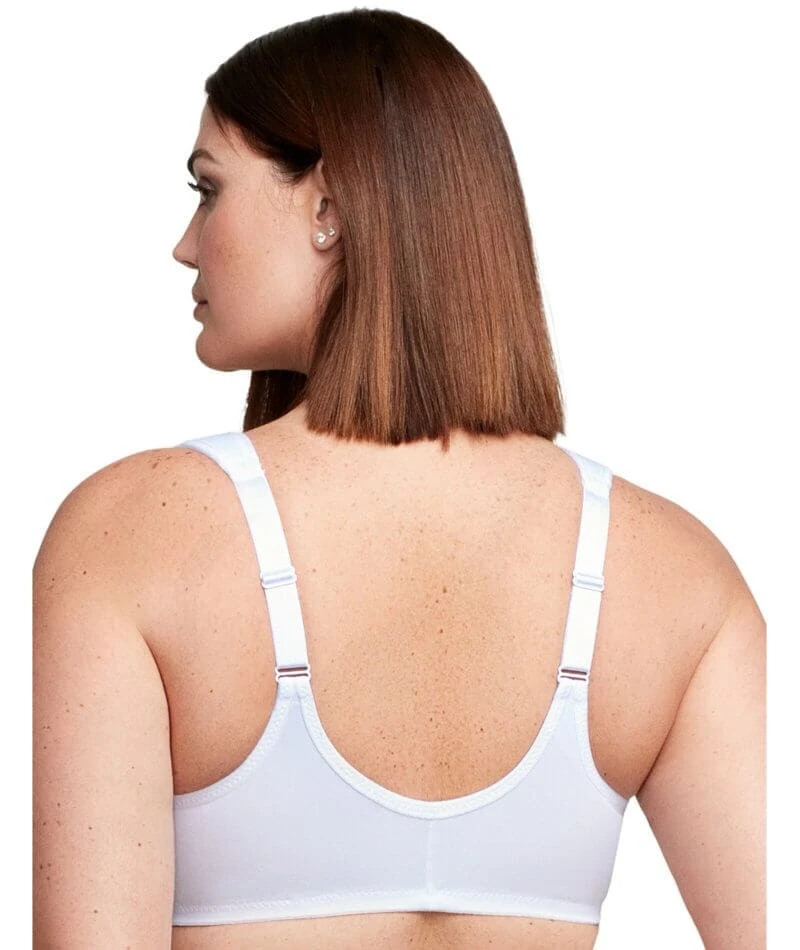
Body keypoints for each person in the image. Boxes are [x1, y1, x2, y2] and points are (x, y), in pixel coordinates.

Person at [32, 8, 765, 949]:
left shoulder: (130, 536)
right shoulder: (675, 577)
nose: (186, 242)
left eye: (208, 190)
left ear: (328, 208)